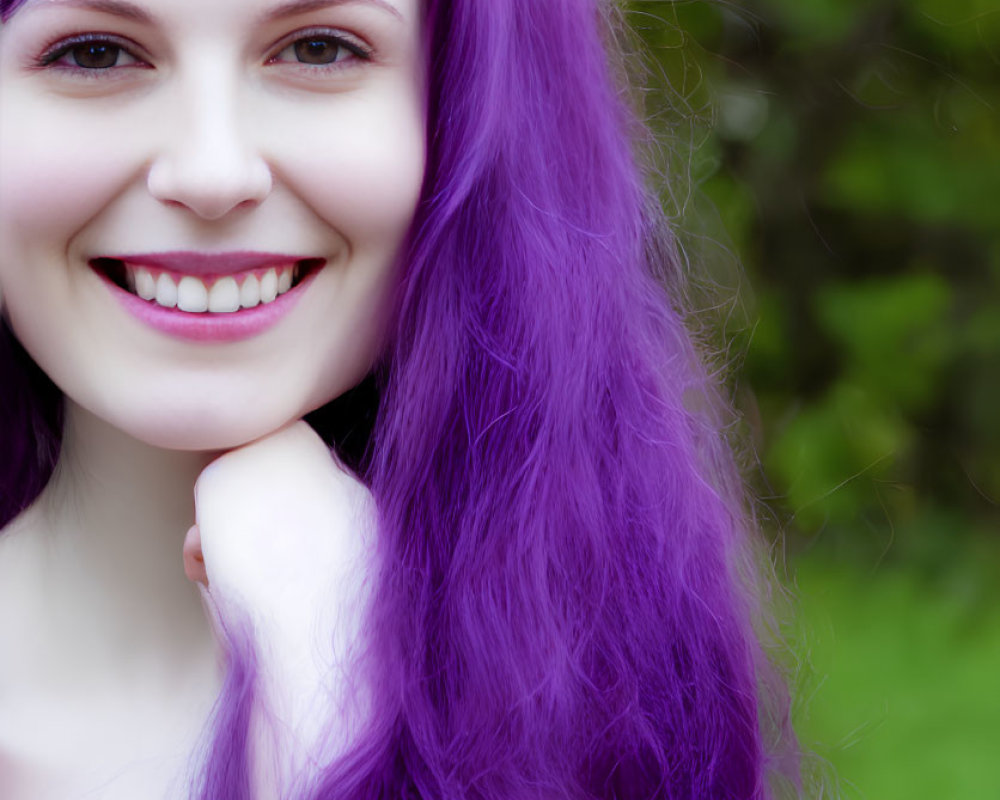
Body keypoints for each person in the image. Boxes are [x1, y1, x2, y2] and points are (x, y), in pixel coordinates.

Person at [0, 0, 800, 797]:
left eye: (318, 48)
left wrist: (322, 702)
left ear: (459, 116)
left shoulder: (621, 709)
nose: (213, 172)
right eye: (94, 53)